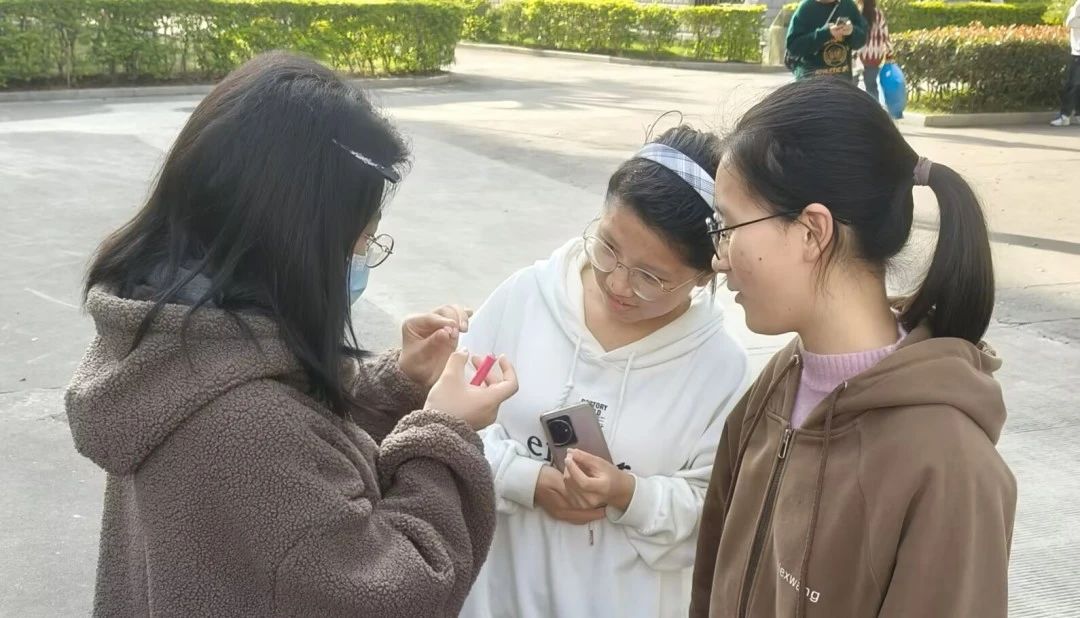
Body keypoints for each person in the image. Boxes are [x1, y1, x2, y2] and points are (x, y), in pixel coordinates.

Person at [65, 52, 518, 617]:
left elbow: (301, 488)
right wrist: (444, 431)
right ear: (296, 239)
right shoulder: (249, 429)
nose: (362, 258)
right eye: (361, 240)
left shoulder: (170, 337)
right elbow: (397, 590)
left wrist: (397, 384)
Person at [690, 78, 1016, 617]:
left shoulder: (949, 468)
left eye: (729, 226)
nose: (718, 257)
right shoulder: (779, 385)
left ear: (812, 231)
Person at [458, 126, 749, 618]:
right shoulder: (526, 298)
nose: (618, 283)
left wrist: (629, 495)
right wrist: (524, 478)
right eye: (608, 247)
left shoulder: (720, 369)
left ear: (705, 274)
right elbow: (445, 422)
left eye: (651, 277)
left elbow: (717, 513)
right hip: (496, 599)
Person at [787, 0, 868, 81]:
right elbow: (793, 47)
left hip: (841, 82)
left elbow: (861, 40)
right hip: (811, 82)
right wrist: (825, 33)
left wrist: (852, 32)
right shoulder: (805, 8)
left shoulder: (848, 5)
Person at [1050, 0, 1080, 126]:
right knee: (1073, 85)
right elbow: (1070, 22)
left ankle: (1078, 114)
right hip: (1078, 52)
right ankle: (1065, 116)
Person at [856, 0, 891, 101]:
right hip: (875, 55)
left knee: (852, 86)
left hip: (857, 55)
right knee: (871, 86)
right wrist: (889, 52)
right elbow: (885, 35)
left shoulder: (857, 12)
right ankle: (874, 109)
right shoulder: (878, 14)